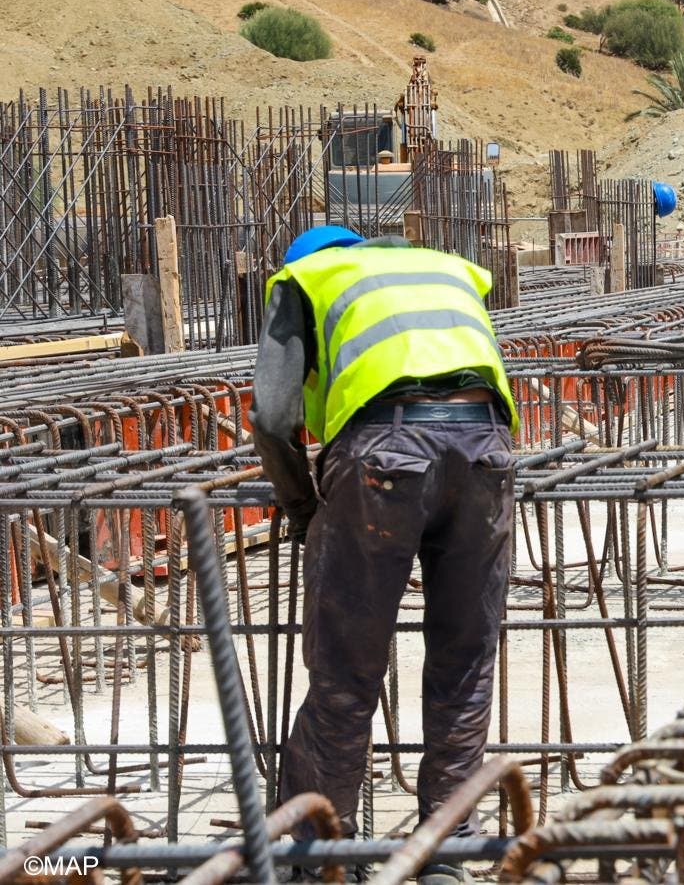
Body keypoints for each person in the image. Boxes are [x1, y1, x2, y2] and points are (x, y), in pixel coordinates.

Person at [251, 224, 520, 885]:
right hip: (488, 449)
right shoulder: (450, 264)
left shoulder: (307, 280)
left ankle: (311, 856)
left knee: (345, 674)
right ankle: (448, 850)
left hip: (385, 455)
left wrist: (305, 508)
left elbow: (271, 414)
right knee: (464, 664)